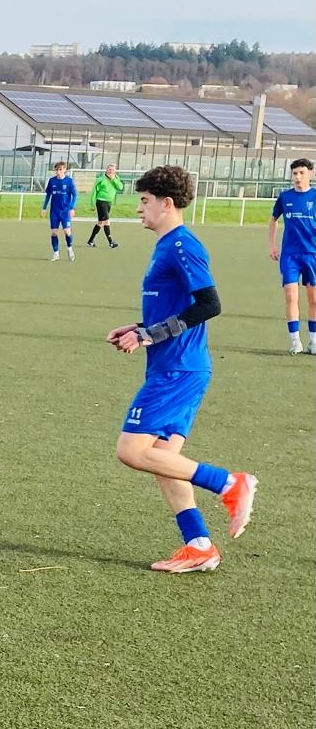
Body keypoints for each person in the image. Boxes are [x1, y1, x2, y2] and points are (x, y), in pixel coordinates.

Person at [107, 165, 256, 573]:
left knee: (131, 451)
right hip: (175, 367)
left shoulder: (182, 245)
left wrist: (150, 335)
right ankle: (200, 545)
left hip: (178, 369)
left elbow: (209, 304)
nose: (139, 209)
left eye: (144, 201)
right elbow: (176, 309)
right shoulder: (166, 245)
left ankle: (229, 483)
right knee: (161, 459)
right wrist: (139, 328)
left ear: (167, 203)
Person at [269, 157, 316, 353]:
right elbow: (273, 219)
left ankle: (313, 340)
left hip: (312, 254)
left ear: (310, 174)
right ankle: (295, 341)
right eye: (295, 173)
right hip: (290, 255)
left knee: (314, 299)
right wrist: (272, 245)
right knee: (291, 297)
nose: (298, 177)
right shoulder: (285, 197)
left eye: (301, 173)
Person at [42, 161, 77, 261]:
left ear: (64, 170)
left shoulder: (69, 181)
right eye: (57, 169)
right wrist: (44, 208)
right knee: (54, 232)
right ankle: (56, 253)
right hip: (54, 211)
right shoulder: (52, 181)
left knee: (67, 231)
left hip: (65, 211)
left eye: (60, 169)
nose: (58, 171)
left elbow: (75, 195)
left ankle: (69, 249)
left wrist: (72, 208)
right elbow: (48, 195)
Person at [87, 164, 123, 249]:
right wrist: (92, 204)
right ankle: (111, 242)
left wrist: (113, 179)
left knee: (100, 222)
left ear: (115, 171)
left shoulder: (116, 178)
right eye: (109, 169)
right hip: (101, 202)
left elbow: (120, 187)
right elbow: (94, 192)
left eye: (112, 170)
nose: (111, 171)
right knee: (106, 221)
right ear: (106, 170)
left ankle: (90, 241)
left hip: (109, 203)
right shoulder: (100, 179)